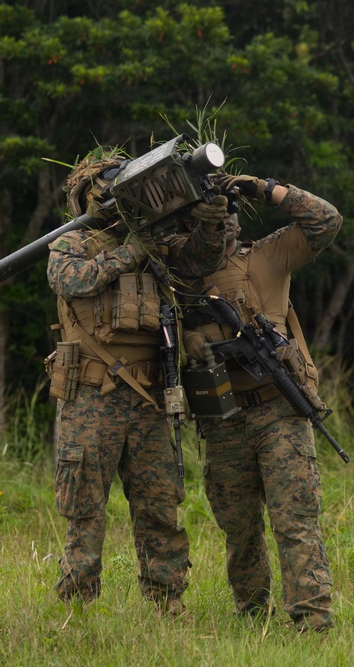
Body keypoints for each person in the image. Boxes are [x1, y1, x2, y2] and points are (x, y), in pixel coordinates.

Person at [46, 147, 229, 617]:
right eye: (100, 185)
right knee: (84, 508)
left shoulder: (157, 248)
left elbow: (201, 263)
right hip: (89, 397)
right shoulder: (69, 246)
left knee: (159, 507)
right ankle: (77, 607)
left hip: (149, 398)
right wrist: (131, 252)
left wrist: (210, 220)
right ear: (83, 196)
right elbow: (75, 283)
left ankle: (167, 603)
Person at [182, 172, 342, 632]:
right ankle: (252, 615)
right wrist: (192, 338)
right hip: (222, 416)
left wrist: (259, 186)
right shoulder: (183, 272)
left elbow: (326, 220)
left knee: (295, 519)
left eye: (229, 215)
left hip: (279, 410)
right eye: (212, 219)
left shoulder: (268, 256)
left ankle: (312, 620)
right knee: (238, 526)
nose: (223, 226)